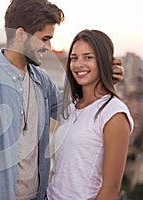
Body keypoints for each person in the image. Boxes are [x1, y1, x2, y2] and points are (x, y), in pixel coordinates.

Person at [0, 0, 124, 199]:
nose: (48, 47)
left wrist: (102, 77)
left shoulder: (41, 80)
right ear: (20, 34)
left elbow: (74, 110)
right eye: (45, 39)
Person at [47, 29, 134, 200]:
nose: (79, 64)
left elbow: (111, 188)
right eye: (74, 58)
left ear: (103, 61)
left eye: (88, 57)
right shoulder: (71, 108)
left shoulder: (114, 114)